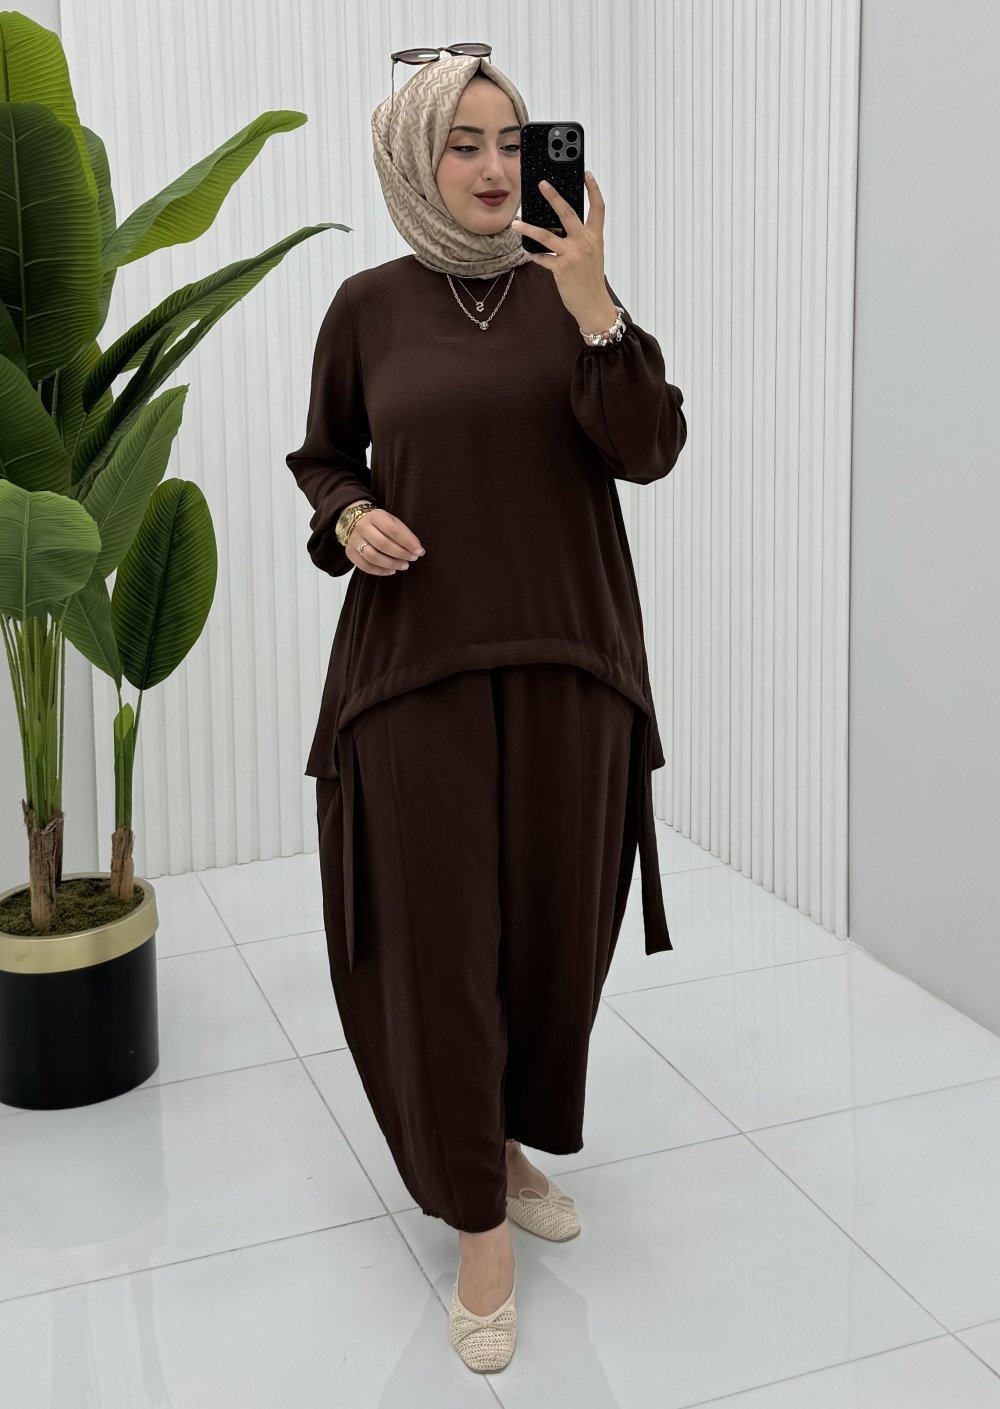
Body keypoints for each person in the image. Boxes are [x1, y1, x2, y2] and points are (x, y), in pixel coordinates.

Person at [285, 48, 687, 1374]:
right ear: (415, 156)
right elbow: (326, 456)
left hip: (574, 661)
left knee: (550, 943)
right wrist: (350, 516)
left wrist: (594, 306)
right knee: (441, 947)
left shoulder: (573, 294)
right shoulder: (368, 306)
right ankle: (479, 1229)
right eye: (462, 141)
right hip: (417, 672)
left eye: (511, 140)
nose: (494, 166)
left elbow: (648, 447)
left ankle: (504, 1143)